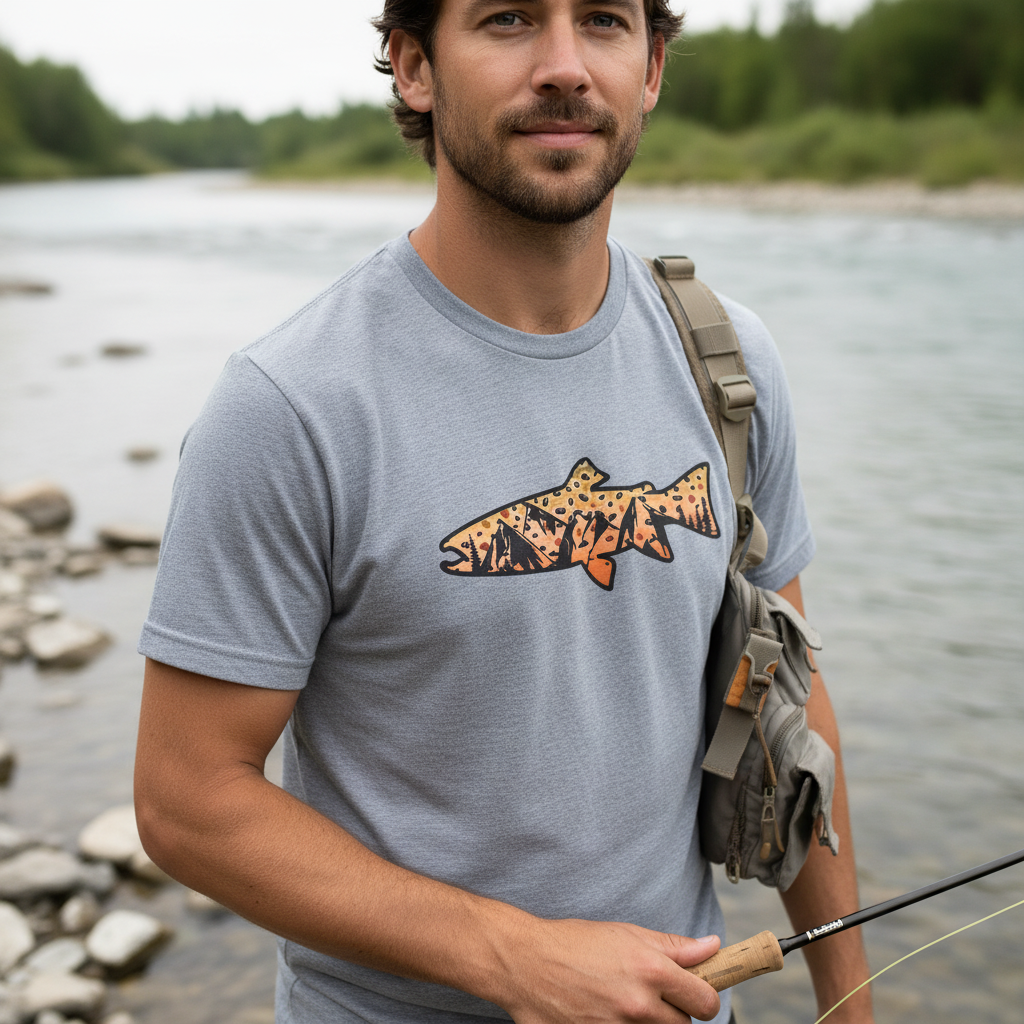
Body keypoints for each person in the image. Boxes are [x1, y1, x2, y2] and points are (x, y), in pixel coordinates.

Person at [134, 3, 875, 1023]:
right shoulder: (291, 405)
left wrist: (851, 995)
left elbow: (791, 690)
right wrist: (513, 955)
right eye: (509, 19)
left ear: (652, 67)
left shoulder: (729, 367)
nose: (564, 67)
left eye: (605, 21)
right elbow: (187, 803)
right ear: (414, 68)